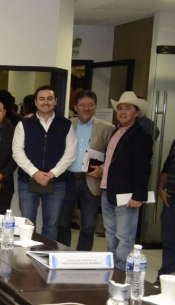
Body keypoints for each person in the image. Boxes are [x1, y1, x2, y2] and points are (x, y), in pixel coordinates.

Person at [13, 85, 76, 240]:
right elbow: (17, 152)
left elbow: (70, 153)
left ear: (56, 101)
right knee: (27, 223)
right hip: (28, 181)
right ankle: (26, 253)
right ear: (36, 102)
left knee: (51, 224)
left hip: (56, 182)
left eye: (49, 98)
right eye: (41, 99)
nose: (45, 102)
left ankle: (47, 253)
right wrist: (35, 173)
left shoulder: (65, 124)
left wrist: (52, 173)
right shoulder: (24, 124)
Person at [100, 91, 153, 271]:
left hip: (127, 195)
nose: (122, 112)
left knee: (125, 237)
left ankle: (121, 272)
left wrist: (139, 196)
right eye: (120, 108)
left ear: (137, 112)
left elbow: (143, 168)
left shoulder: (141, 136)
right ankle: (112, 268)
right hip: (108, 190)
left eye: (128, 108)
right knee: (110, 233)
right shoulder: (117, 131)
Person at [57, 91, 114, 251]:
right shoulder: (66, 125)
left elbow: (113, 155)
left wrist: (102, 168)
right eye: (82, 105)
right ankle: (63, 255)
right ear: (75, 107)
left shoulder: (107, 128)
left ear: (95, 106)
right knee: (63, 222)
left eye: (90, 105)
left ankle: (82, 258)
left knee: (88, 226)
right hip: (68, 179)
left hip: (91, 181)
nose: (86, 108)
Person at [157, 138, 175, 284]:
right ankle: (165, 278)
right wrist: (161, 188)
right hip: (171, 199)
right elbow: (167, 166)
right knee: (168, 240)